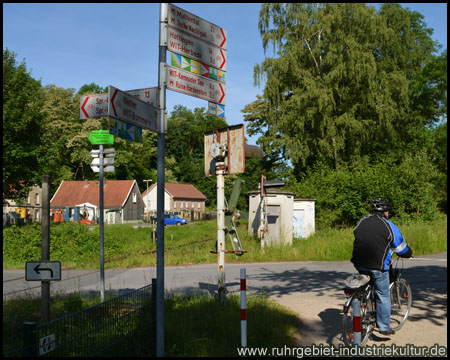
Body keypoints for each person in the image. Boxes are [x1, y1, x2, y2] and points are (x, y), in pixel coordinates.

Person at [351, 198, 413, 336]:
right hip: (377, 266)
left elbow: (356, 233)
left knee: (368, 280)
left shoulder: (362, 221)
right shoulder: (389, 225)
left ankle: (363, 298)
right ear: (386, 212)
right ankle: (384, 327)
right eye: (388, 212)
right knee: (383, 294)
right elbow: (401, 247)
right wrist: (408, 253)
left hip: (359, 262)